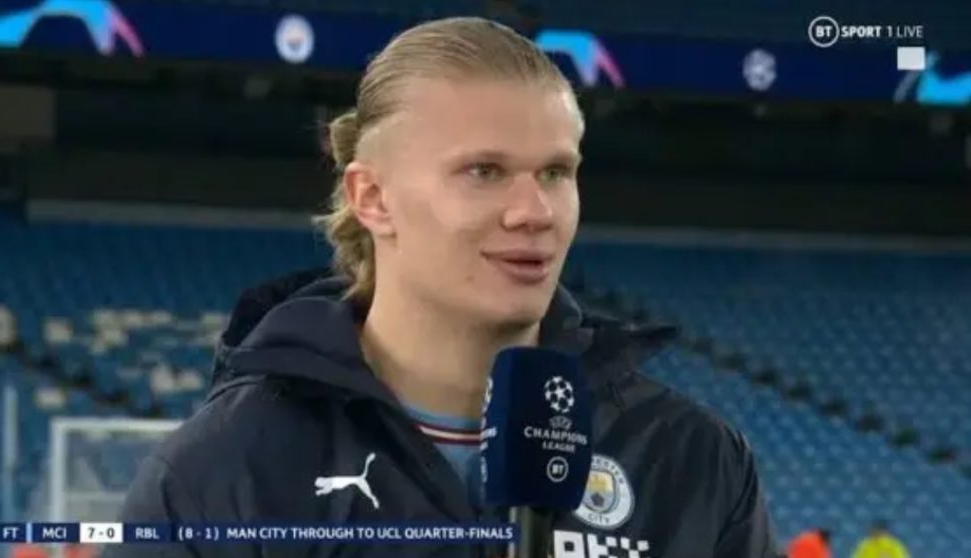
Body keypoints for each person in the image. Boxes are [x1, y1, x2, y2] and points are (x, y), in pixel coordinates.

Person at [109, 16, 777, 558]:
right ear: (372, 197)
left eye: (555, 173)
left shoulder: (689, 458)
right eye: (484, 172)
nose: (535, 212)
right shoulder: (225, 472)